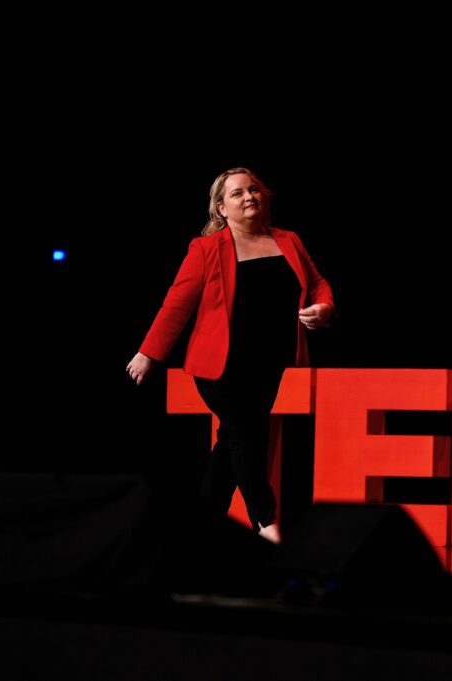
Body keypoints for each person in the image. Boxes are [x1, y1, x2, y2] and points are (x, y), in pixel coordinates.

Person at [126, 168, 335, 544]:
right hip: (219, 366)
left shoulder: (288, 240)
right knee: (246, 438)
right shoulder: (206, 249)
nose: (249, 196)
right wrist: (148, 353)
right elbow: (177, 304)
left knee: (232, 444)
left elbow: (318, 284)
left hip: (269, 363)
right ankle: (266, 523)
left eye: (253, 189)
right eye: (237, 194)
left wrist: (323, 308)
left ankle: (198, 531)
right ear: (221, 208)